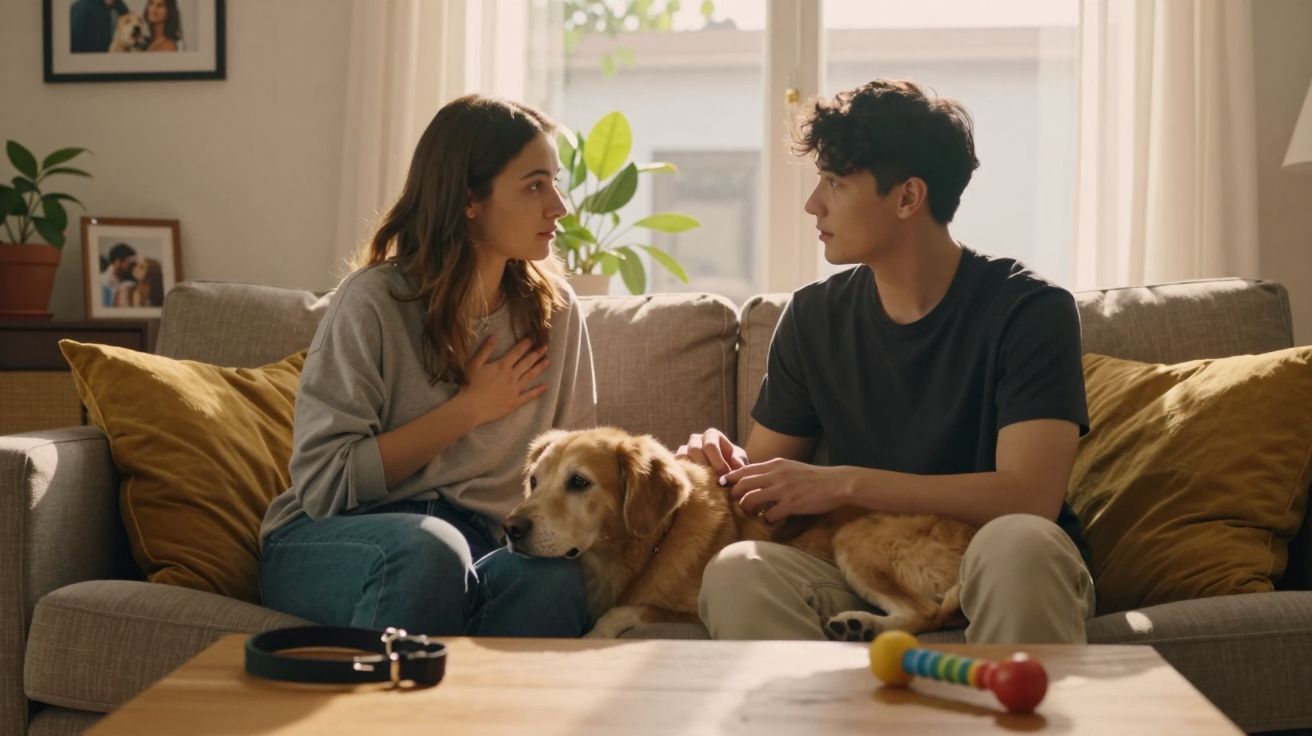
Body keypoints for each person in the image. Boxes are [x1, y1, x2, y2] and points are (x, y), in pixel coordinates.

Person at [681, 80, 1095, 645]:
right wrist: (717, 465)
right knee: (738, 572)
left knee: (1019, 544)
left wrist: (845, 484)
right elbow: (766, 492)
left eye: (835, 182)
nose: (813, 204)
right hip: (868, 572)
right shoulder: (812, 317)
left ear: (907, 198)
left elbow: (1029, 498)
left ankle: (1009, 703)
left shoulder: (1030, 310)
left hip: (998, 564)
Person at [259, 95, 597, 638]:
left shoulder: (556, 315)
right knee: (430, 549)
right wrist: (469, 410)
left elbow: (575, 472)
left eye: (555, 183)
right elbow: (325, 483)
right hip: (342, 537)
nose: (558, 206)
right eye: (535, 186)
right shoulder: (374, 302)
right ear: (469, 200)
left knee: (551, 581)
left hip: (481, 545)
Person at [100, 242, 136, 308]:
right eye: (129, 263)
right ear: (118, 262)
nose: (131, 267)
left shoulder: (128, 280)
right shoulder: (102, 282)